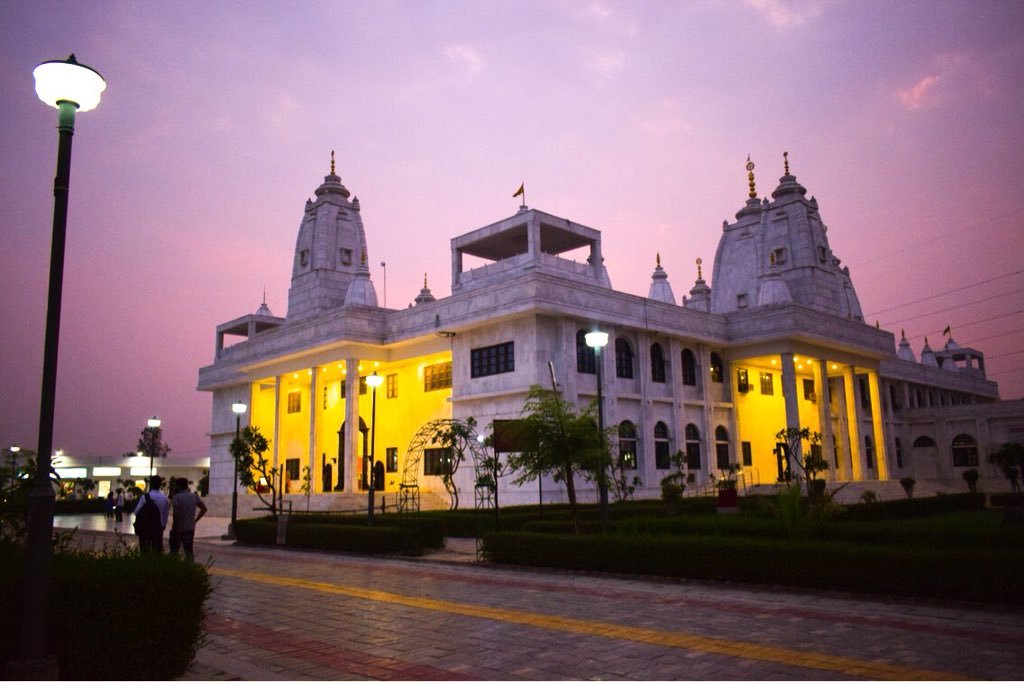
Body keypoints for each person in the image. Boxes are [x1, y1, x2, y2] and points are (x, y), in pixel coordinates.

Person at [169, 478, 207, 560]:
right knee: (189, 551)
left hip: (179, 528)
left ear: (178, 486)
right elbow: (204, 509)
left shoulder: (176, 497)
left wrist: (174, 527)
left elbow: (176, 514)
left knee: (174, 552)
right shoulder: (194, 496)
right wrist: (195, 520)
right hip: (190, 527)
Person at [134, 475, 170, 552]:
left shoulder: (145, 497)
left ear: (151, 484)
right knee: (157, 550)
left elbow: (136, 511)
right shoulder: (164, 498)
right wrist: (163, 526)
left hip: (145, 527)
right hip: (158, 527)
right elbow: (165, 514)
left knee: (145, 550)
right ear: (160, 485)